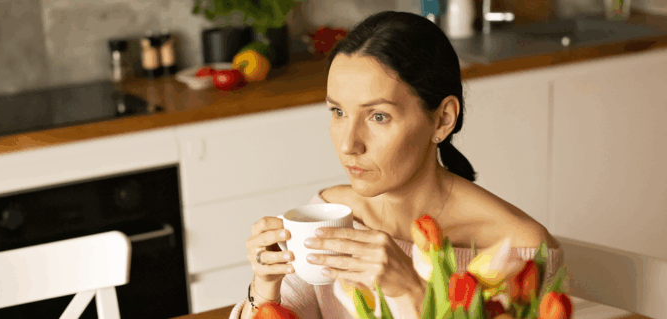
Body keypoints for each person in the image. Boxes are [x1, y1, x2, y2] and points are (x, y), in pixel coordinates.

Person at [231, 10, 563, 319]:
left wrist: (411, 292)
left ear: (442, 119)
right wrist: (265, 285)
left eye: (378, 116)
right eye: (338, 112)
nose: (348, 145)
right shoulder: (330, 213)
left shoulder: (519, 249)